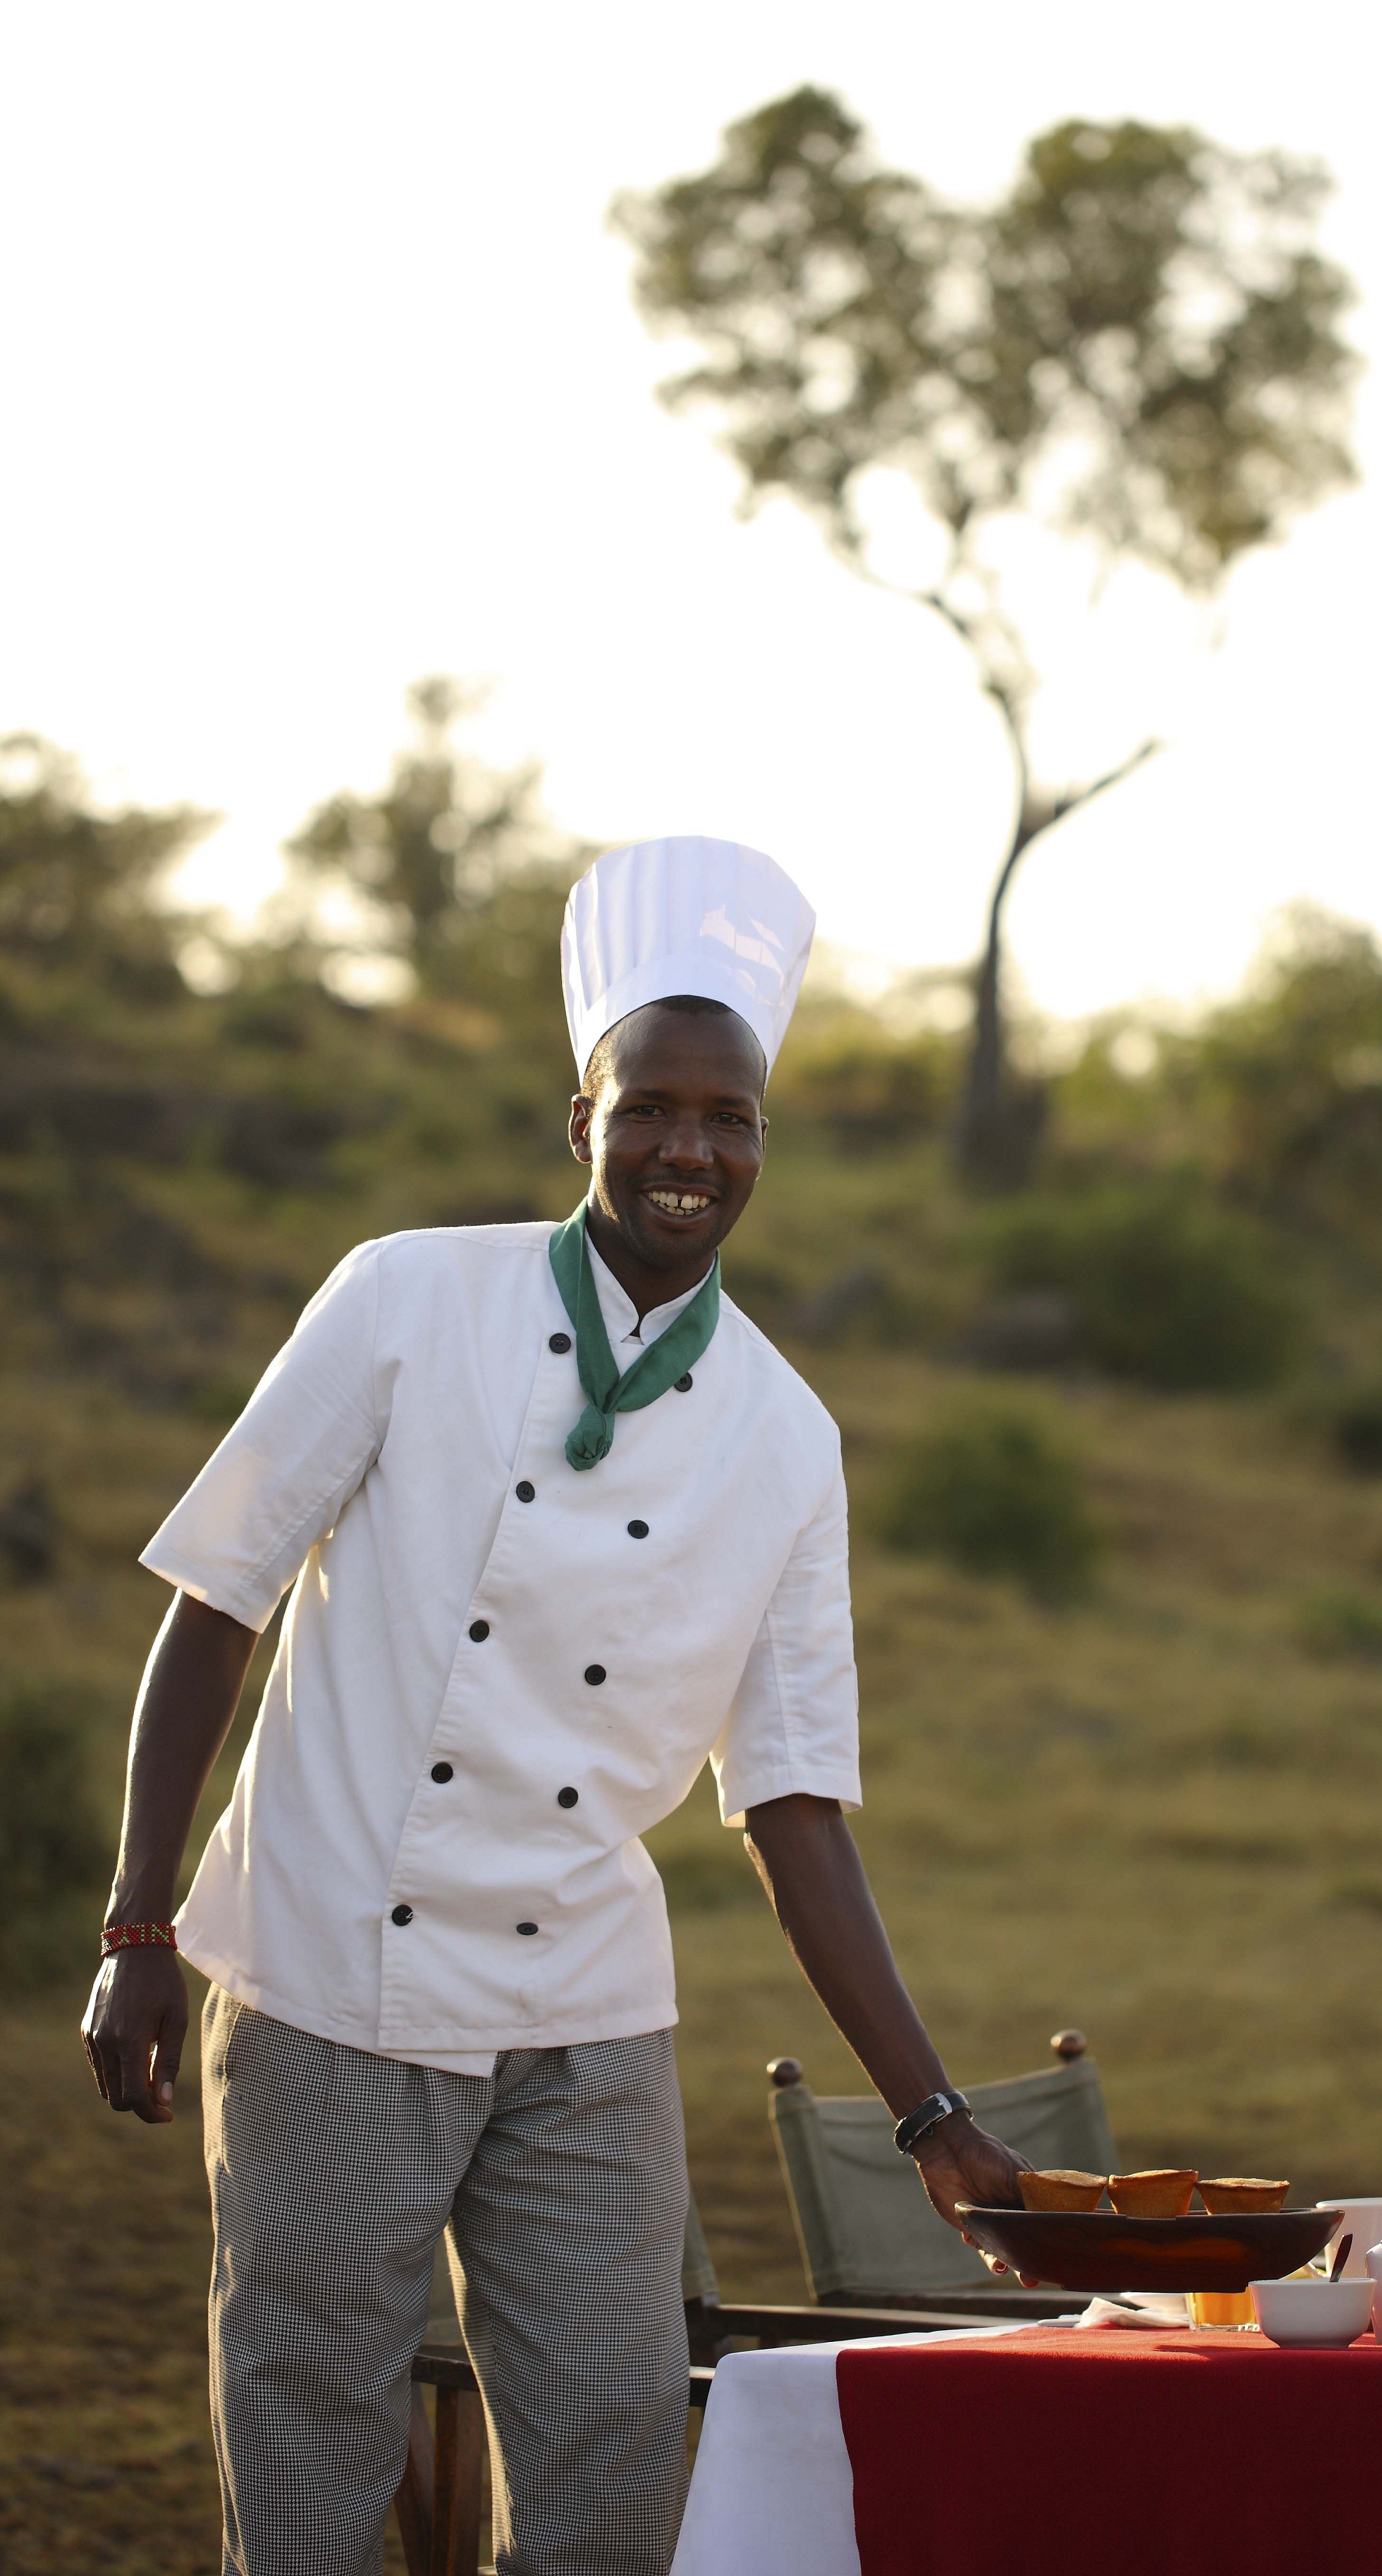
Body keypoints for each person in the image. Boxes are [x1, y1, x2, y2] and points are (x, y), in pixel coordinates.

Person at [81, 836, 1025, 2576]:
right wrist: (142, 1923)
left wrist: (931, 2114)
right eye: (649, 1106)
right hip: (331, 1977)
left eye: (729, 1116)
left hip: (589, 2015)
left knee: (609, 2469)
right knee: (308, 2467)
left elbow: (792, 1798)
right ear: (578, 1118)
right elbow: (216, 1601)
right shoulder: (405, 1295)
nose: (690, 1148)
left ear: (764, 1143)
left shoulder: (788, 1435)